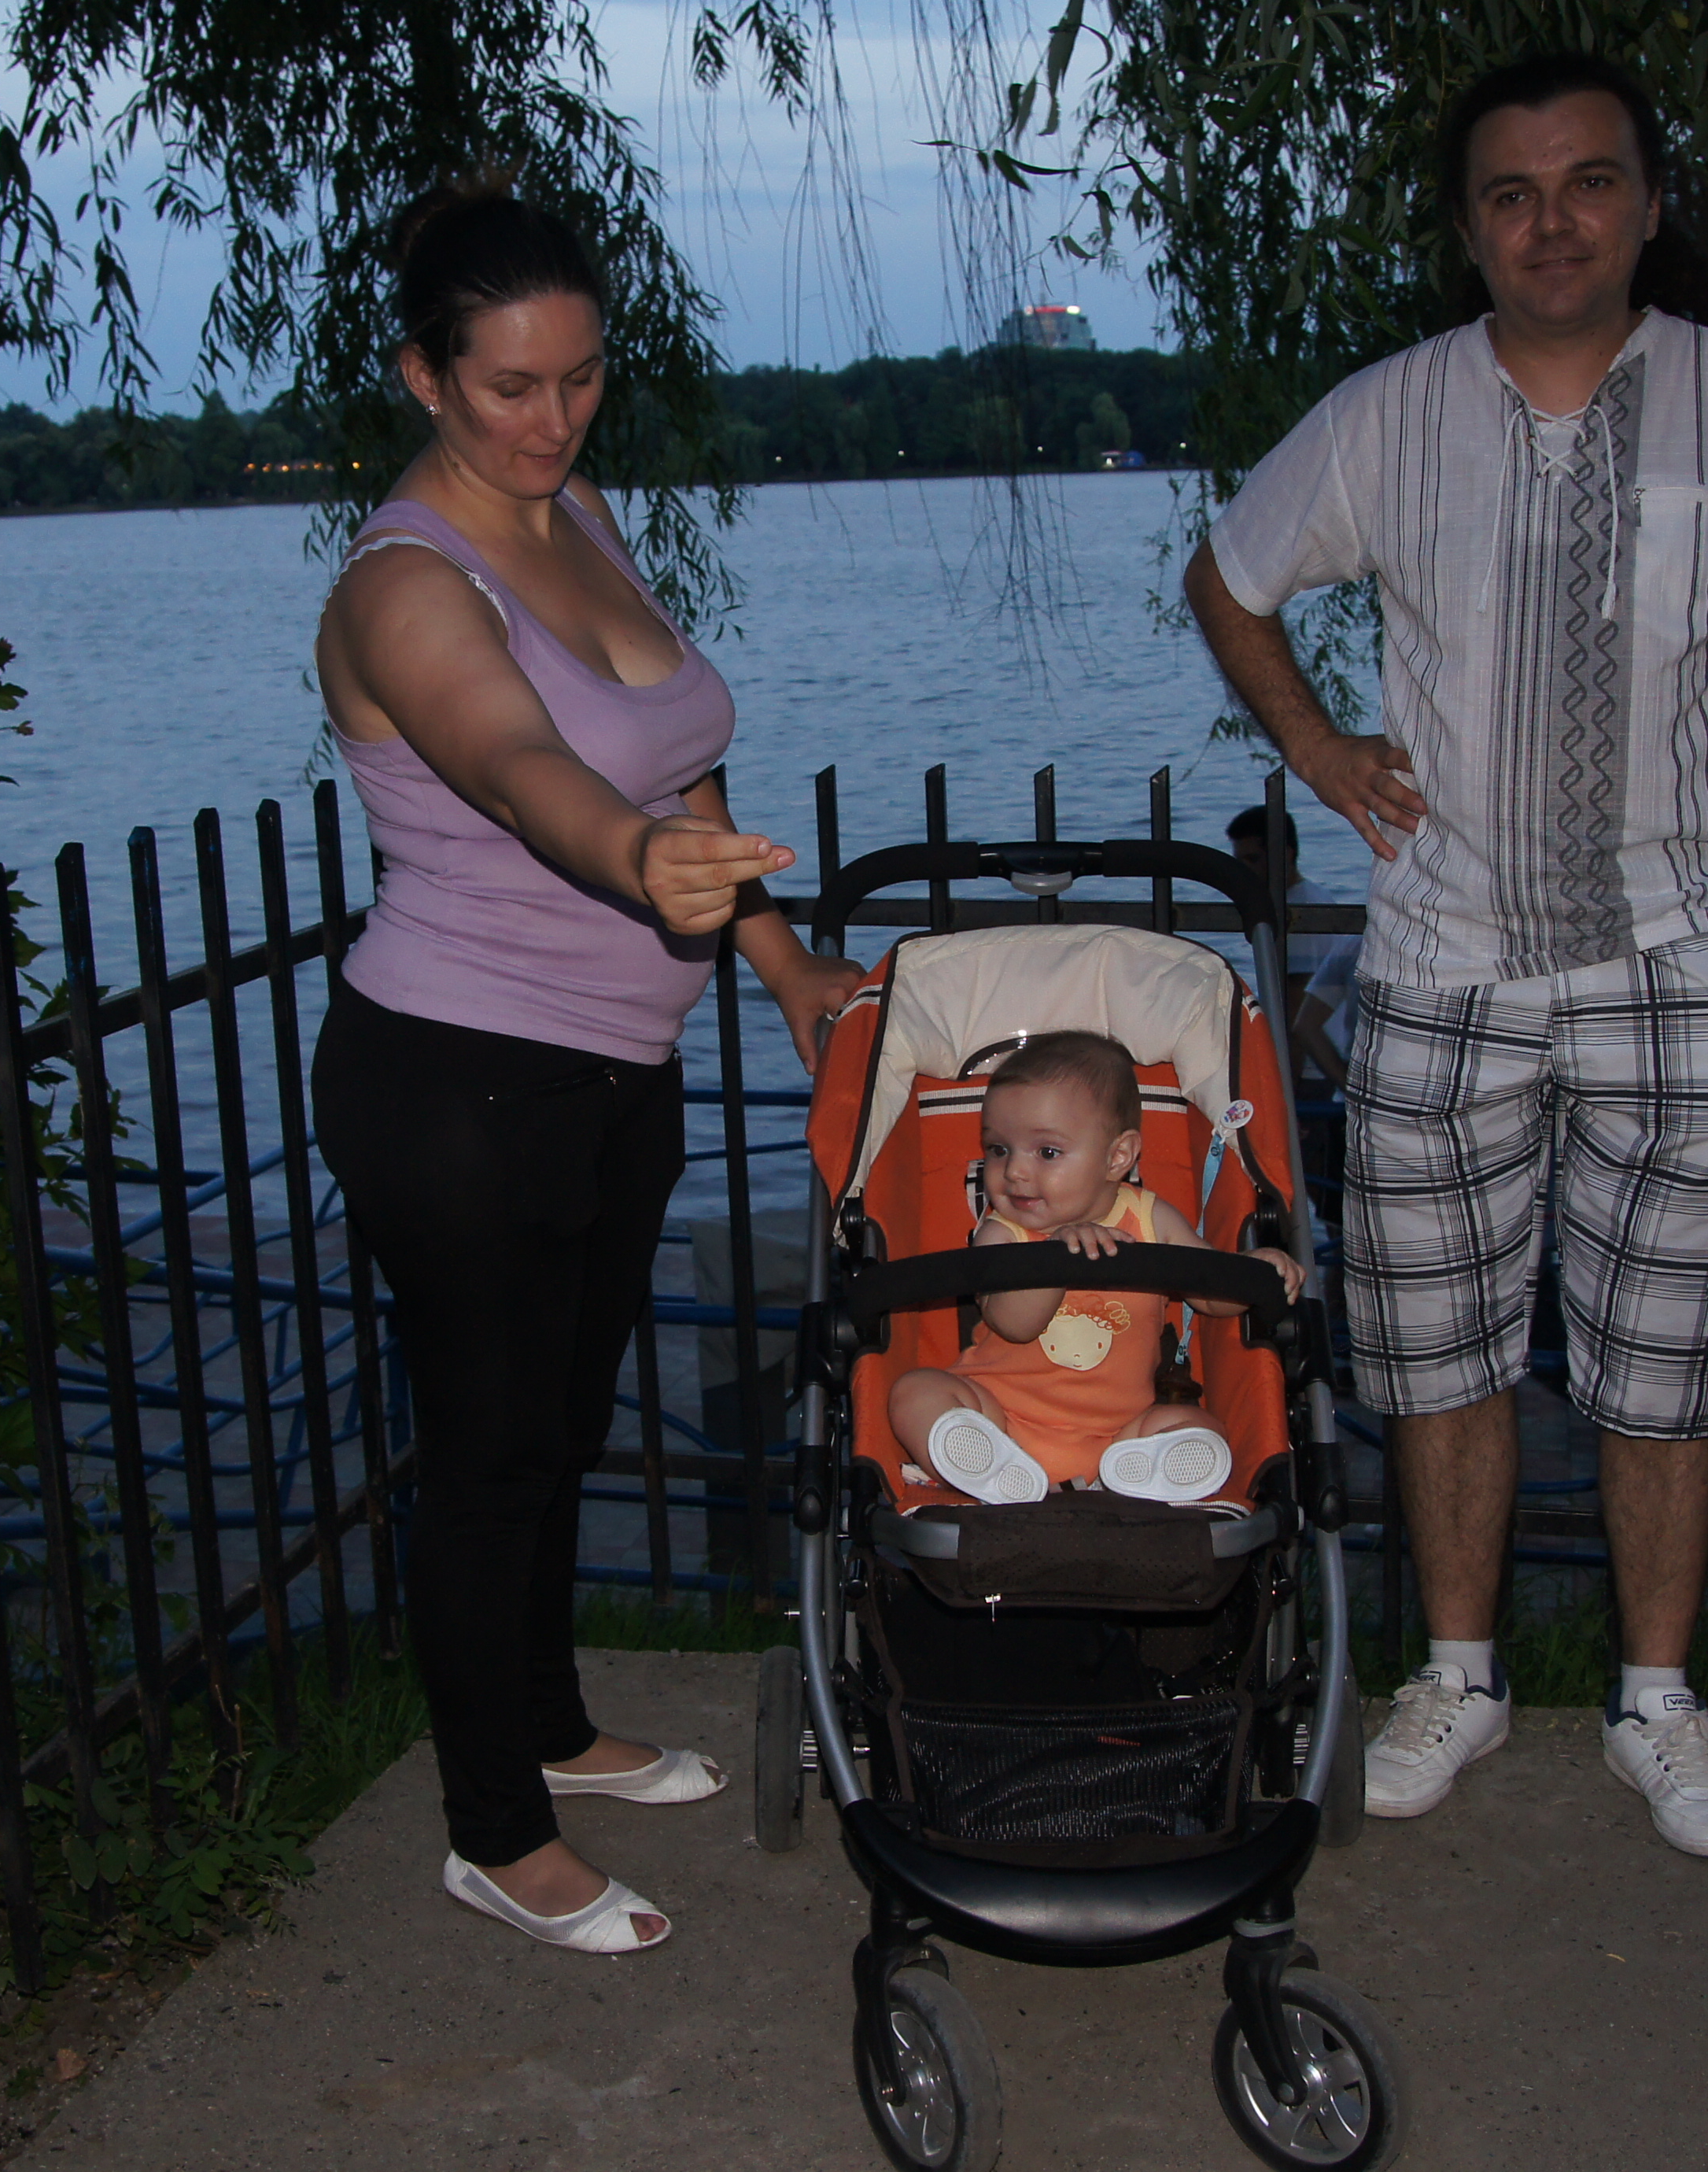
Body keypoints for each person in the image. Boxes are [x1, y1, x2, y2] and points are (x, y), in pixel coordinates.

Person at [1182, 54, 1708, 1857]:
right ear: (1466, 228)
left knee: (1669, 1353)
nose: (1549, 222)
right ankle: (1459, 1676)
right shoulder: (1386, 416)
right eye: (1509, 193)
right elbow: (1229, 578)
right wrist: (1317, 747)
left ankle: (1656, 1699)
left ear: (1646, 206)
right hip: (1439, 962)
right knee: (1435, 1352)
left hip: (1671, 954)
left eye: (1586, 183)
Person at [310, 174, 865, 1955]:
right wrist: (634, 865)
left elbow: (669, 757)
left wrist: (776, 961)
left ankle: (547, 1723)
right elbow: (517, 766)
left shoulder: (579, 512)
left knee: (555, 1427)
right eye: (507, 389)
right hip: (457, 1082)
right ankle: (493, 1831)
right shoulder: (404, 584)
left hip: (615, 1074)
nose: (550, 420)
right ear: (423, 377)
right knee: (486, 1455)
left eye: (578, 378)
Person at [883, 1032, 1304, 1506]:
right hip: (998, 1420)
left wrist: (1254, 1272)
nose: (1015, 1171)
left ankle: (1144, 1474)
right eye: (999, 1149)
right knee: (915, 1392)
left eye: (1047, 1152)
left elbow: (1209, 1295)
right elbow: (1015, 1324)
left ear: (1117, 1157)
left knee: (1198, 1425)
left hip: (1116, 1439)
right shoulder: (1002, 1233)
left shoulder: (1149, 1217)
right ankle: (983, 1468)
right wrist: (1057, 1258)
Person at [1226, 803, 1362, 1095]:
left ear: (1285, 855)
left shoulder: (1297, 913)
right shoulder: (1313, 898)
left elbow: (1295, 1006)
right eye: (1239, 861)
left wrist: (1286, 1088)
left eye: (1253, 859)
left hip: (1310, 1071)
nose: (1243, 871)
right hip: (1320, 1063)